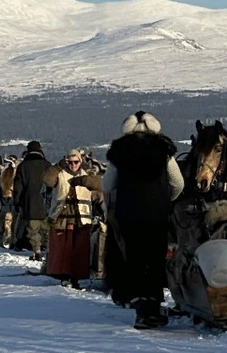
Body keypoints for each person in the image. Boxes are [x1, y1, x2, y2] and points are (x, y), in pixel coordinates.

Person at [103, 111, 184, 328]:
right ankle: (154, 304)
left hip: (128, 214)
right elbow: (178, 183)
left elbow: (107, 185)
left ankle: (141, 309)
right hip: (157, 214)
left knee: (135, 260)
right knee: (156, 259)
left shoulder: (119, 151)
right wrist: (166, 200)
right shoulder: (164, 150)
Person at [46, 148, 95, 288]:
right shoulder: (59, 174)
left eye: (76, 161)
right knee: (64, 249)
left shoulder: (87, 174)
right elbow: (47, 180)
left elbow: (97, 188)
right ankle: (64, 275)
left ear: (80, 161)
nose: (73, 165)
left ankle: (77, 276)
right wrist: (57, 167)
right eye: (70, 162)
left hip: (82, 217)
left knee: (79, 249)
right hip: (62, 216)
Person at [12, 141, 51, 260]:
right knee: (47, 230)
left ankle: (36, 250)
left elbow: (18, 187)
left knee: (33, 230)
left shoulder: (23, 166)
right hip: (45, 204)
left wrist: (17, 202)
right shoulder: (47, 165)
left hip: (29, 203)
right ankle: (50, 251)